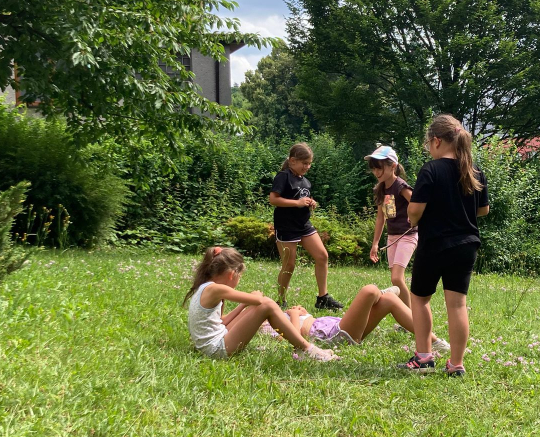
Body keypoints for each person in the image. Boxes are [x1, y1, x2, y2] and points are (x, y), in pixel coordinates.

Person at [401, 114, 489, 377]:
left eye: (428, 143)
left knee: (420, 298)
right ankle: (456, 365)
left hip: (435, 244)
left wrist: (412, 219)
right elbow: (483, 210)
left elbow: (415, 210)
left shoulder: (431, 169)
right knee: (457, 304)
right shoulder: (474, 170)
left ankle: (424, 358)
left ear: (437, 141)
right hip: (466, 245)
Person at [185, 246, 339, 361]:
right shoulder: (217, 289)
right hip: (216, 350)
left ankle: (303, 347)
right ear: (232, 274)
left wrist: (243, 305)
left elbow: (221, 321)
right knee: (267, 304)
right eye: (240, 276)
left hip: (211, 345)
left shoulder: (206, 287)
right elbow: (259, 300)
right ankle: (306, 349)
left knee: (260, 305)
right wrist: (255, 296)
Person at [263, 283, 450, 353]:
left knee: (390, 300)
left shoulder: (279, 314)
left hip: (340, 326)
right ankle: (376, 295)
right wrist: (295, 315)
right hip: (333, 336)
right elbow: (295, 338)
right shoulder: (266, 325)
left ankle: (434, 342)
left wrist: (303, 312)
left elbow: (307, 321)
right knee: (369, 291)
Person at [269, 142, 342, 311]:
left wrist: (310, 202)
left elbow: (301, 199)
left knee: (322, 256)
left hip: (303, 225)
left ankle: (322, 298)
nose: (307, 167)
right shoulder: (283, 176)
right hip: (286, 226)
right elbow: (273, 199)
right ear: (292, 161)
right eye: (304, 163)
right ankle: (280, 300)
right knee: (289, 265)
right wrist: (297, 203)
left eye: (309, 163)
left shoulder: (305, 181)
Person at [367, 144, 417, 308]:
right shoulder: (380, 189)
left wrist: (414, 216)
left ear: (393, 166)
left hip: (408, 235)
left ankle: (411, 315)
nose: (376, 172)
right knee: (396, 280)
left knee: (396, 278)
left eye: (379, 168)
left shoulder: (400, 186)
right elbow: (380, 218)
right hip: (392, 237)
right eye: (374, 169)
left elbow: (417, 203)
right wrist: (375, 243)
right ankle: (407, 314)